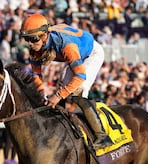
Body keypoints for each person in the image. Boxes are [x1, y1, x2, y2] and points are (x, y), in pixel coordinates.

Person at [19, 13, 112, 149]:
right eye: (26, 39)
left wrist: (57, 96)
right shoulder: (36, 48)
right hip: (76, 54)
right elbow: (36, 75)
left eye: (33, 39)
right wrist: (40, 95)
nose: (30, 44)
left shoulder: (67, 46)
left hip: (91, 54)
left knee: (76, 91)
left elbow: (80, 76)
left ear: (45, 35)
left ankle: (102, 136)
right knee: (62, 89)